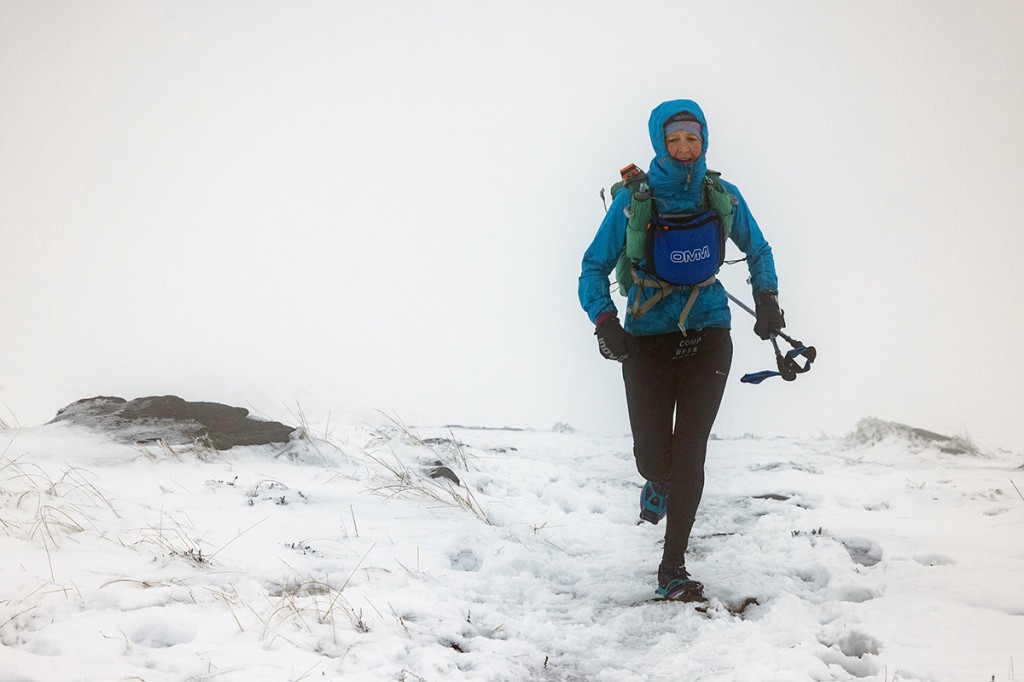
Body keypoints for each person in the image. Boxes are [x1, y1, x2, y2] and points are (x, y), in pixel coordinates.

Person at [578, 99, 784, 601]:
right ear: (659, 143)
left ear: (704, 140)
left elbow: (757, 249)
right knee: (654, 456)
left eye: (692, 138)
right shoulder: (634, 200)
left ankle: (673, 567)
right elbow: (592, 268)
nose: (685, 148)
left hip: (710, 333)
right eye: (674, 140)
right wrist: (606, 322)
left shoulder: (721, 194)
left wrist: (766, 298)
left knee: (690, 453)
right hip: (646, 337)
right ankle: (656, 482)